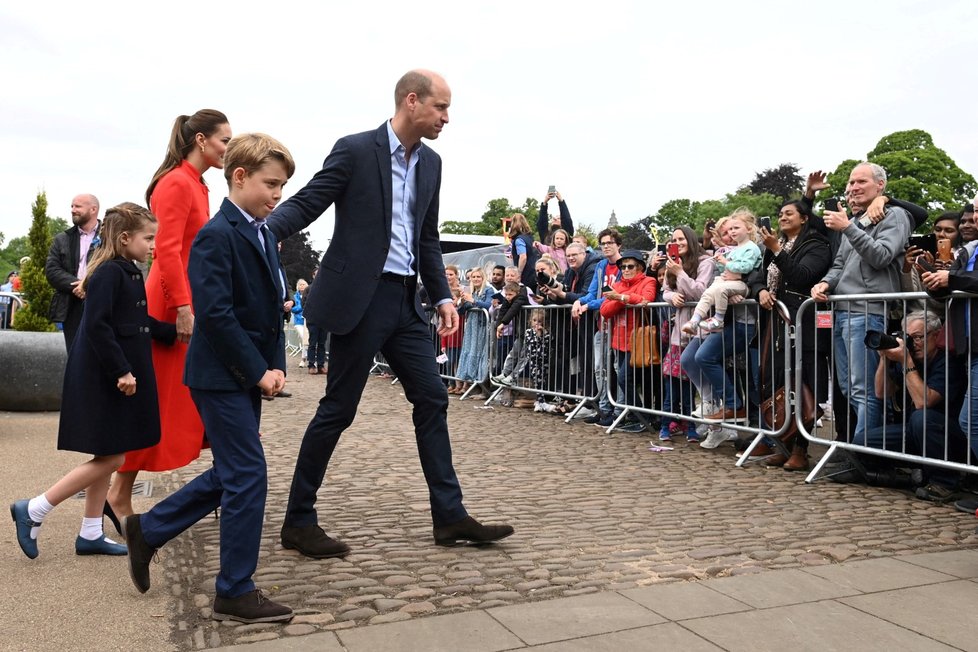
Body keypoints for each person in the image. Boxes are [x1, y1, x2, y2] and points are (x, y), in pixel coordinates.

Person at [267, 69, 513, 556]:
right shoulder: (356, 149)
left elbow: (426, 236)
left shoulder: (433, 164)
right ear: (412, 100)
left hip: (406, 303)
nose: (447, 118)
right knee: (338, 410)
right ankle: (298, 520)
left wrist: (442, 295)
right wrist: (253, 234)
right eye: (441, 108)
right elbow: (310, 202)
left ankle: (449, 516)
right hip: (359, 300)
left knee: (432, 399)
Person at [124, 133, 296, 624]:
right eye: (270, 184)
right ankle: (233, 589)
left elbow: (267, 310)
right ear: (239, 177)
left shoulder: (261, 231)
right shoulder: (216, 235)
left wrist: (275, 362)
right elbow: (216, 316)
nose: (277, 195)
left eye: (282, 187)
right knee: (248, 474)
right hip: (219, 376)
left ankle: (150, 529)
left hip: (243, 374)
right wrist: (259, 370)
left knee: (233, 472)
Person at [11, 203, 175, 560]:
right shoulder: (109, 274)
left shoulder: (125, 271)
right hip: (105, 378)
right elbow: (99, 326)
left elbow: (136, 322)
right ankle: (35, 508)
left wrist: (173, 332)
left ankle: (89, 533)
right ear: (125, 237)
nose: (153, 246)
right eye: (149, 238)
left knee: (109, 451)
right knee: (113, 457)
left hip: (111, 376)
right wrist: (121, 370)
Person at [108, 110, 232, 523]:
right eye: (223, 141)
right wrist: (181, 307)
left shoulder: (196, 183)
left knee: (183, 400)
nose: (227, 149)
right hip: (171, 303)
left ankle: (226, 483)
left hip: (187, 300)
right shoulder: (177, 183)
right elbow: (168, 251)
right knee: (158, 403)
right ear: (200, 140)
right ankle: (118, 493)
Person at [811, 162, 913, 444]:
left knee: (865, 390)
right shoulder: (855, 222)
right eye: (851, 183)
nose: (853, 187)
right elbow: (840, 264)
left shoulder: (895, 216)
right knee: (847, 388)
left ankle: (864, 453)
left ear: (880, 186)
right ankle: (862, 448)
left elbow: (881, 256)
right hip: (842, 312)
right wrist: (825, 283)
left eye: (861, 182)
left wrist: (847, 228)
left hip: (868, 313)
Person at [737, 200, 833, 464]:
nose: (782, 217)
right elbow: (757, 277)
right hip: (777, 325)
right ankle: (784, 444)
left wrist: (777, 250)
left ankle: (801, 450)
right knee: (779, 383)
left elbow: (803, 275)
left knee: (806, 384)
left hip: (807, 324)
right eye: (780, 214)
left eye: (789, 213)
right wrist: (761, 291)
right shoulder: (774, 246)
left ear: (804, 218)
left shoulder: (816, 245)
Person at [657, 226, 715, 441]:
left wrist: (680, 273)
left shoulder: (705, 262)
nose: (677, 242)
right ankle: (667, 424)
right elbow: (666, 291)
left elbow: (700, 291)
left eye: (681, 238)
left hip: (700, 329)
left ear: (690, 239)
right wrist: (672, 297)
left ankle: (695, 425)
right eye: (674, 239)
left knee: (692, 383)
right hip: (678, 331)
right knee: (672, 383)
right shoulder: (671, 265)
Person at [598, 249, 658, 432]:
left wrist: (621, 298)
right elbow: (604, 310)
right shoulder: (618, 284)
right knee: (625, 380)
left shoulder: (649, 281)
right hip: (620, 341)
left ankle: (643, 416)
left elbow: (646, 299)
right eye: (623, 266)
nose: (626, 269)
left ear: (639, 267)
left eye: (630, 266)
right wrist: (621, 300)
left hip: (639, 341)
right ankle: (638, 415)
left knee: (626, 379)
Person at [573, 228, 625, 426]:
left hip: (619, 325)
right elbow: (593, 292)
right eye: (603, 243)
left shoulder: (625, 265)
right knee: (599, 368)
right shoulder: (601, 266)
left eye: (610, 243)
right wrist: (579, 301)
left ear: (618, 245)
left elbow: (611, 296)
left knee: (616, 368)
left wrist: (588, 305)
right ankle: (604, 408)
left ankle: (620, 409)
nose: (606, 246)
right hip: (601, 325)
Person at [681, 211, 761, 334]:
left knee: (721, 289)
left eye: (736, 228)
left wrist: (725, 262)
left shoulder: (752, 247)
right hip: (729, 282)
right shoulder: (736, 249)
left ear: (749, 229)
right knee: (708, 292)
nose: (732, 232)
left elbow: (745, 267)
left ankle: (718, 319)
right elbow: (726, 270)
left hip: (742, 285)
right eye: (730, 229)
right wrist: (719, 261)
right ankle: (694, 320)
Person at [45, 194, 100, 352]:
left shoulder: (109, 237)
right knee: (75, 355)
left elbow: (113, 266)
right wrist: (78, 286)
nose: (73, 210)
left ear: (93, 209)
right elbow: (52, 270)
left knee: (100, 356)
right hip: (72, 306)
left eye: (78, 206)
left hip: (100, 303)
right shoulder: (62, 239)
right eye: (72, 206)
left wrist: (88, 285)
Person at [455, 267, 494, 398]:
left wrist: (474, 301)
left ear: (483, 278)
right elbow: (462, 311)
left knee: (482, 356)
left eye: (479, 277)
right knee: (471, 353)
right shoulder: (471, 291)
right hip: (472, 328)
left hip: (483, 327)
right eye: (474, 277)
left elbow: (489, 305)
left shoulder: (488, 290)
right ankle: (474, 385)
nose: (476, 279)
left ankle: (484, 390)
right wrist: (462, 302)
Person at [508, 213, 540, 288]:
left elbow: (523, 257)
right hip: (533, 273)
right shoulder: (530, 238)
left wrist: (519, 273)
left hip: (526, 275)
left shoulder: (519, 240)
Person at [292, 279, 310, 367]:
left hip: (307, 321)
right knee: (304, 338)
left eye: (303, 284)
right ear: (298, 286)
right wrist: (302, 305)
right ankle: (307, 356)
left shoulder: (309, 295)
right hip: (298, 322)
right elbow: (293, 309)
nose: (302, 286)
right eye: (300, 285)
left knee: (306, 340)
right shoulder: (295, 297)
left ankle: (303, 359)